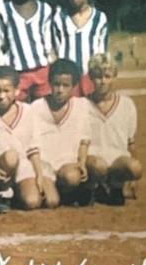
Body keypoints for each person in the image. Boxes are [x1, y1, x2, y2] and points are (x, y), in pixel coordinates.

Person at [0, 65, 47, 214]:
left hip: (23, 166)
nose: (1, 96)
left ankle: (17, 194)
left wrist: (39, 175)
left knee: (33, 201)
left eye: (6, 91)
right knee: (11, 156)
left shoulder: (28, 111)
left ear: (17, 90)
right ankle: (2, 195)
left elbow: (33, 149)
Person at [30, 59, 97, 208]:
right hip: (45, 166)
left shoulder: (82, 106)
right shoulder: (36, 107)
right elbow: (32, 144)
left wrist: (82, 162)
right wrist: (38, 172)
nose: (60, 90)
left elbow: (84, 139)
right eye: (56, 84)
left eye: (65, 85)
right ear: (49, 83)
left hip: (68, 164)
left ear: (74, 86)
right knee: (50, 202)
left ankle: (75, 191)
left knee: (71, 177)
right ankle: (58, 192)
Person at [86, 52, 143, 205]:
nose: (102, 81)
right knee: (99, 166)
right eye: (98, 77)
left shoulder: (127, 104)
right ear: (90, 77)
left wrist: (133, 179)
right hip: (93, 161)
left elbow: (131, 142)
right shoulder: (82, 105)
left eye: (107, 76)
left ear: (114, 77)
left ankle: (115, 185)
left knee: (135, 168)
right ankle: (93, 187)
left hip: (117, 159)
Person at [0, 0, 56, 102]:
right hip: (17, 72)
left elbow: (48, 42)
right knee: (19, 109)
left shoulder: (45, 10)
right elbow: (2, 42)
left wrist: (52, 65)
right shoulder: (4, 10)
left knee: (43, 108)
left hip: (41, 70)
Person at [52, 0, 108, 95]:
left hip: (90, 76)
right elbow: (56, 49)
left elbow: (102, 51)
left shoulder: (99, 19)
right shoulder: (60, 18)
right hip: (67, 78)